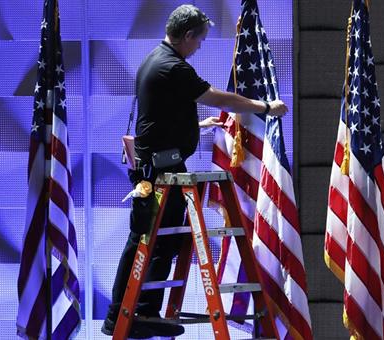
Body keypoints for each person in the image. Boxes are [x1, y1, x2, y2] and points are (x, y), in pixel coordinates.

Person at [101, 4, 288, 338]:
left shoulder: (155, 59)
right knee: (153, 242)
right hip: (161, 172)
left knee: (150, 240)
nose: (200, 46)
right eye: (199, 40)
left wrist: (196, 125)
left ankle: (128, 312)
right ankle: (138, 312)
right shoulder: (174, 67)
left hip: (156, 165)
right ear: (187, 36)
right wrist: (265, 107)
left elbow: (161, 115)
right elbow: (217, 97)